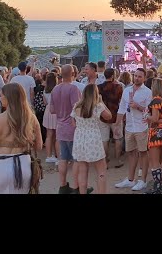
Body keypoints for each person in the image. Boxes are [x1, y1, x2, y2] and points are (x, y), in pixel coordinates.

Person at [0, 83, 43, 194]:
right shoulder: (31, 118)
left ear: (8, 98)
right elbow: (39, 146)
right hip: (23, 165)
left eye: (1, 95)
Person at [50, 64, 86, 194]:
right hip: (72, 127)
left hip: (60, 127)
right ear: (72, 74)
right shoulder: (73, 89)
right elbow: (77, 109)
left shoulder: (55, 89)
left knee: (63, 158)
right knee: (76, 159)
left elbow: (52, 110)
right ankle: (76, 187)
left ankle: (63, 185)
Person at [115, 68, 152, 191]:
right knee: (131, 152)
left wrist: (138, 107)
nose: (137, 78)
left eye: (139, 76)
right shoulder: (127, 90)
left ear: (144, 78)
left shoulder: (147, 92)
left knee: (143, 153)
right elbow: (121, 109)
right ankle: (130, 180)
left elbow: (149, 110)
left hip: (141, 126)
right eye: (135, 76)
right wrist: (117, 124)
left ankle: (143, 181)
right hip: (130, 127)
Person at [72, 84, 112, 194]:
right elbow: (109, 116)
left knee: (83, 171)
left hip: (80, 138)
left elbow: (73, 123)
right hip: (93, 138)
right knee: (101, 170)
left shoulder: (76, 106)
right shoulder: (97, 106)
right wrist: (101, 102)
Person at [145, 78, 162, 194]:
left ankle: (158, 187)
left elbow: (155, 118)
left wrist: (147, 116)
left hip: (156, 133)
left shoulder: (156, 100)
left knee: (155, 161)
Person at [98, 68, 124, 168]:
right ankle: (118, 160)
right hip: (115, 115)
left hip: (103, 115)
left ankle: (105, 161)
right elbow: (121, 102)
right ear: (113, 76)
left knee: (104, 140)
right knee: (118, 138)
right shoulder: (119, 87)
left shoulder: (99, 87)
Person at [42, 72, 59, 164]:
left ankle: (48, 156)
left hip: (47, 111)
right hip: (56, 111)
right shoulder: (57, 89)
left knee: (49, 135)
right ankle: (58, 155)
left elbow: (45, 102)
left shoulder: (45, 90)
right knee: (57, 136)